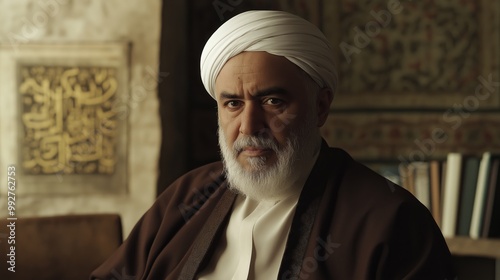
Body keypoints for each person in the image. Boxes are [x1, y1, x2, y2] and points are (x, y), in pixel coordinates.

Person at [91, 10, 456, 280]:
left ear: (320, 106)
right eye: (233, 104)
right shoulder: (188, 197)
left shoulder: (388, 219)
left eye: (272, 102)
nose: (249, 127)